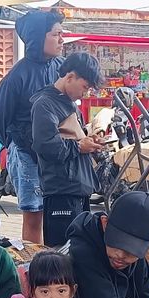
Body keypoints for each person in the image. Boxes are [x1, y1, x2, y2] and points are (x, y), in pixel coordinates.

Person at [0, 10, 65, 244]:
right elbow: (1, 120)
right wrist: (19, 143)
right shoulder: (17, 77)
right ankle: (34, 262)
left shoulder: (62, 68)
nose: (62, 39)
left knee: (59, 211)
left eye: (61, 34)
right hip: (27, 154)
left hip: (58, 151)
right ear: (37, 38)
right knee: (34, 216)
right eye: (55, 34)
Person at [30, 52, 104, 247]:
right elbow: (45, 145)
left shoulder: (69, 103)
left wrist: (90, 141)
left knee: (80, 247)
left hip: (78, 188)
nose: (85, 93)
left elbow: (73, 137)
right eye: (85, 87)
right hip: (61, 190)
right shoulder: (45, 104)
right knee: (62, 250)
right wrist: (79, 146)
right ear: (70, 77)